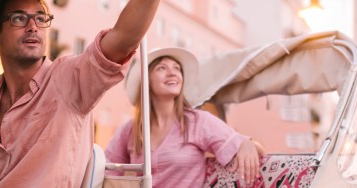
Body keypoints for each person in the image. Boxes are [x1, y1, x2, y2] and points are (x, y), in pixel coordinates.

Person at [0, 0, 205, 187]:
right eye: (18, 18)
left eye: (40, 18)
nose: (33, 26)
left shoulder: (68, 78)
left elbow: (122, 40)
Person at [105, 47, 266, 187]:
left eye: (177, 68)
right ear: (148, 81)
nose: (172, 73)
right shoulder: (131, 130)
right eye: (162, 68)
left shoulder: (198, 122)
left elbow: (249, 146)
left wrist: (247, 144)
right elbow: (107, 169)